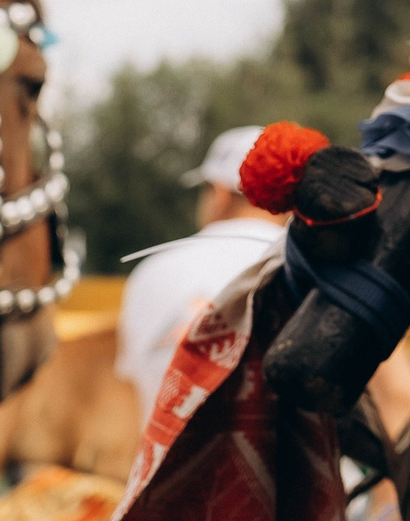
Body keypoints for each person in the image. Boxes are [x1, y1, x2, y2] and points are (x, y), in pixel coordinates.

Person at [114, 125, 287, 418]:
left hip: (171, 446)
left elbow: (132, 389)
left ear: (219, 193)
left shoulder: (152, 269)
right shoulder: (317, 270)